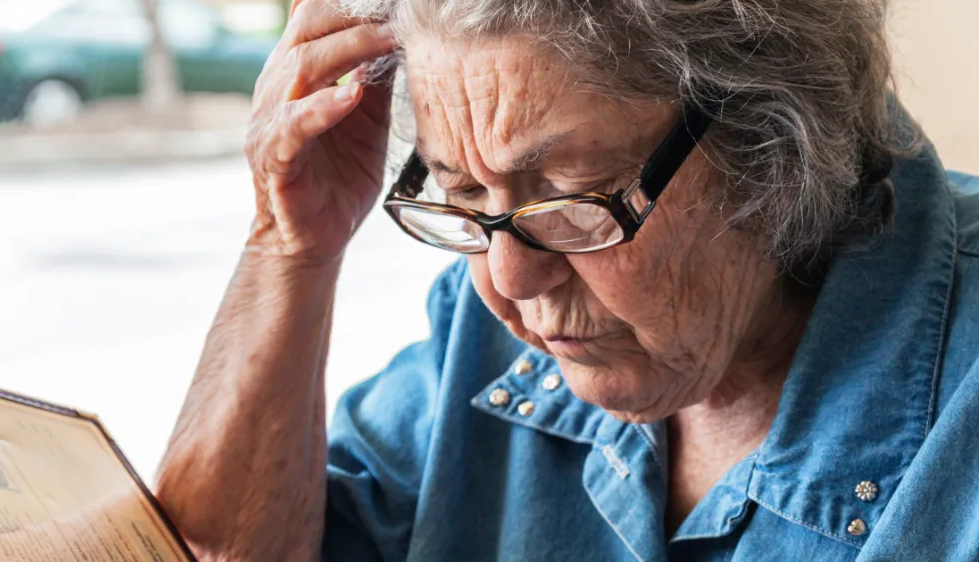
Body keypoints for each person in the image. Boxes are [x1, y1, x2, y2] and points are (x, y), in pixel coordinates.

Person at [154, 0, 979, 559]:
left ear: (774, 145)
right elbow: (217, 549)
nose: (508, 280)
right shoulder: (481, 327)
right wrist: (289, 246)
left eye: (572, 197)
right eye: (464, 194)